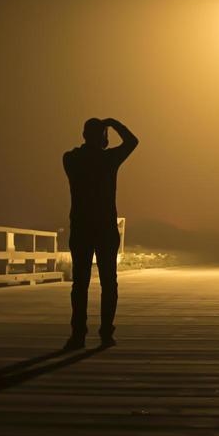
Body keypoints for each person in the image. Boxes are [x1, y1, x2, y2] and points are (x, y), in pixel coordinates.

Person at [62, 117, 138, 348]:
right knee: (109, 282)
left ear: (84, 135)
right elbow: (132, 141)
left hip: (81, 227)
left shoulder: (70, 159)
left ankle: (78, 334)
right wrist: (114, 123)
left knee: (80, 283)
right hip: (105, 228)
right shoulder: (109, 159)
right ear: (103, 138)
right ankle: (106, 332)